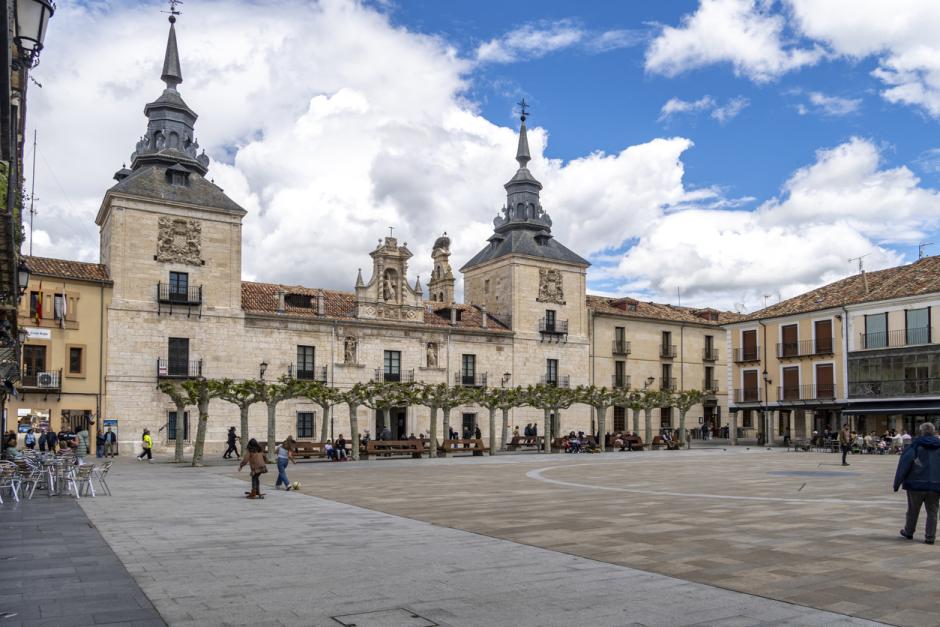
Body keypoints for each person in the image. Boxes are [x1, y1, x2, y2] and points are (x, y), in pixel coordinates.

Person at [894, 422, 940, 544]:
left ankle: (909, 531)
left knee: (913, 510)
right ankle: (930, 537)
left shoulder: (914, 445)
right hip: (935, 484)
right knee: (933, 512)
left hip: (915, 483)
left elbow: (904, 464)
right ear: (934, 432)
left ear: (922, 432)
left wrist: (897, 482)